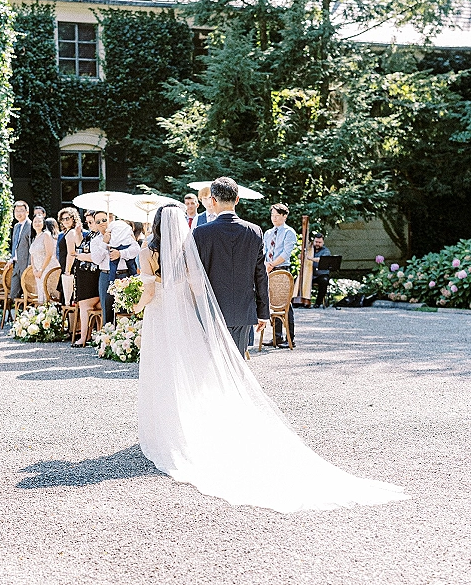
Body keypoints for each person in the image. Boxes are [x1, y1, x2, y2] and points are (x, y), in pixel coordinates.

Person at [133, 203, 409, 514]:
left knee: (168, 368)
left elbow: (151, 289)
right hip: (222, 311)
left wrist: (131, 305)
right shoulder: (215, 240)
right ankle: (215, 420)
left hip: (165, 314)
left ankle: (173, 425)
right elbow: (237, 277)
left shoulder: (177, 242)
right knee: (211, 368)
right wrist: (257, 312)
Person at [193, 177, 269, 358]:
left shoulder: (201, 233)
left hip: (212, 310)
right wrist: (263, 312)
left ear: (212, 200)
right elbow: (261, 275)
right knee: (237, 364)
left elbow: (195, 274)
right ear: (237, 199)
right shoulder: (254, 231)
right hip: (244, 309)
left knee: (213, 366)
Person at [90, 212, 140, 325]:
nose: (102, 223)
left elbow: (136, 249)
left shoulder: (123, 234)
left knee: (124, 309)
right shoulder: (95, 241)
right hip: (106, 275)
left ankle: (124, 337)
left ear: (111, 219)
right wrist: (104, 243)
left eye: (104, 220)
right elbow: (96, 260)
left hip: (123, 275)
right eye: (98, 222)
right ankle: (107, 336)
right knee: (107, 308)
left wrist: (121, 253)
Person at [263, 203, 297, 347]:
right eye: (272, 215)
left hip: (281, 268)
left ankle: (290, 337)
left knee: (285, 303)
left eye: (277, 216)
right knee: (273, 302)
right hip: (269, 268)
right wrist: (266, 264)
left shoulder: (289, 232)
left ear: (284, 216)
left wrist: (273, 264)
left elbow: (286, 253)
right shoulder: (268, 233)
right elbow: (265, 250)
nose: (274, 218)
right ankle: (277, 337)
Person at [72, 211, 101, 346]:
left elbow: (94, 256)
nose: (89, 225)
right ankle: (87, 335)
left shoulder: (100, 236)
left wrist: (80, 256)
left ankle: (84, 337)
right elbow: (81, 246)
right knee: (84, 306)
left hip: (91, 274)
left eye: (91, 222)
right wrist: (78, 234)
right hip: (84, 273)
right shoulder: (90, 235)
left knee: (85, 306)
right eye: (87, 222)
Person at [29, 215, 59, 303]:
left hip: (47, 268)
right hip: (37, 270)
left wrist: (41, 270)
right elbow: (32, 255)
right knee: (40, 294)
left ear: (43, 223)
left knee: (48, 294)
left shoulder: (46, 234)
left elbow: (49, 254)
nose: (37, 224)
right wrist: (34, 269)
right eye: (35, 222)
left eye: (39, 221)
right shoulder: (35, 237)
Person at [6, 201, 32, 301]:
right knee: (13, 294)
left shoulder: (30, 226)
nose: (18, 213)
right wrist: (11, 259)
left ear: (27, 212)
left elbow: (31, 247)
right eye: (16, 211)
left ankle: (25, 315)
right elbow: (15, 246)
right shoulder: (16, 226)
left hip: (26, 264)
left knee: (27, 294)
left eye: (21, 210)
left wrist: (29, 265)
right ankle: (15, 316)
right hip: (16, 264)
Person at [57, 207, 79, 305]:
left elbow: (71, 253)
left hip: (69, 269)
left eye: (68, 218)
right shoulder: (68, 232)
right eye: (63, 219)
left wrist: (67, 271)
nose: (65, 221)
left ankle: (71, 321)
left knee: (69, 301)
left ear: (73, 218)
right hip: (65, 268)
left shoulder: (71, 233)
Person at [308, 233, 332, 308]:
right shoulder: (310, 250)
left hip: (321, 275)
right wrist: (301, 255)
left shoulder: (326, 251)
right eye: (316, 242)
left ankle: (318, 303)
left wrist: (310, 258)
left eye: (319, 242)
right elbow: (301, 255)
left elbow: (321, 260)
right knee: (296, 281)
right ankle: (299, 301)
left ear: (323, 243)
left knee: (324, 280)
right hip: (310, 275)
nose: (317, 244)